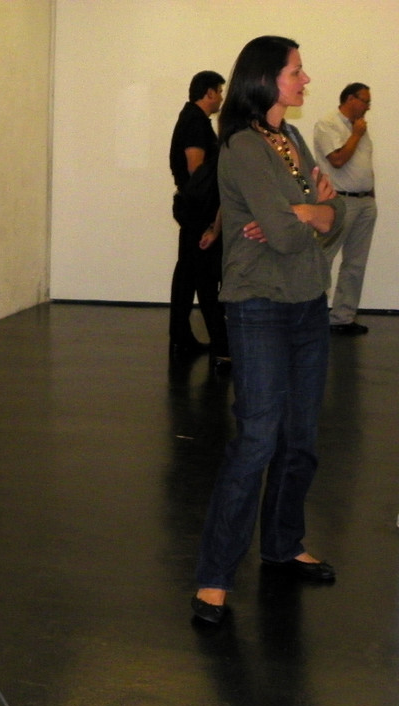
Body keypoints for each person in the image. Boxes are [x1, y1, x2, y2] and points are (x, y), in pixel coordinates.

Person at [191, 36, 345, 625]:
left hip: (307, 302)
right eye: (296, 71)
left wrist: (309, 213)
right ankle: (214, 576)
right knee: (257, 439)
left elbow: (336, 218)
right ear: (265, 79)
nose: (306, 80)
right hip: (259, 306)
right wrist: (309, 213)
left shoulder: (293, 140)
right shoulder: (242, 146)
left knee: (300, 437)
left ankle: (283, 544)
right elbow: (282, 235)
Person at [169, 70, 230, 370]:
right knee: (204, 276)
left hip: (194, 207)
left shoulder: (193, 119)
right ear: (209, 93)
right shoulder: (195, 122)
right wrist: (211, 216)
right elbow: (196, 169)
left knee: (188, 274)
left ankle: (181, 336)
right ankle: (220, 343)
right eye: (219, 91)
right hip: (199, 210)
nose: (221, 97)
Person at [313, 82, 376, 335]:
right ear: (350, 99)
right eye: (365, 101)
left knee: (355, 263)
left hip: (365, 202)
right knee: (324, 258)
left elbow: (363, 164)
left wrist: (371, 194)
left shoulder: (359, 127)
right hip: (340, 201)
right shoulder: (328, 124)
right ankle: (312, 316)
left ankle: (343, 317)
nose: (368, 107)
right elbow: (337, 160)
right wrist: (356, 135)